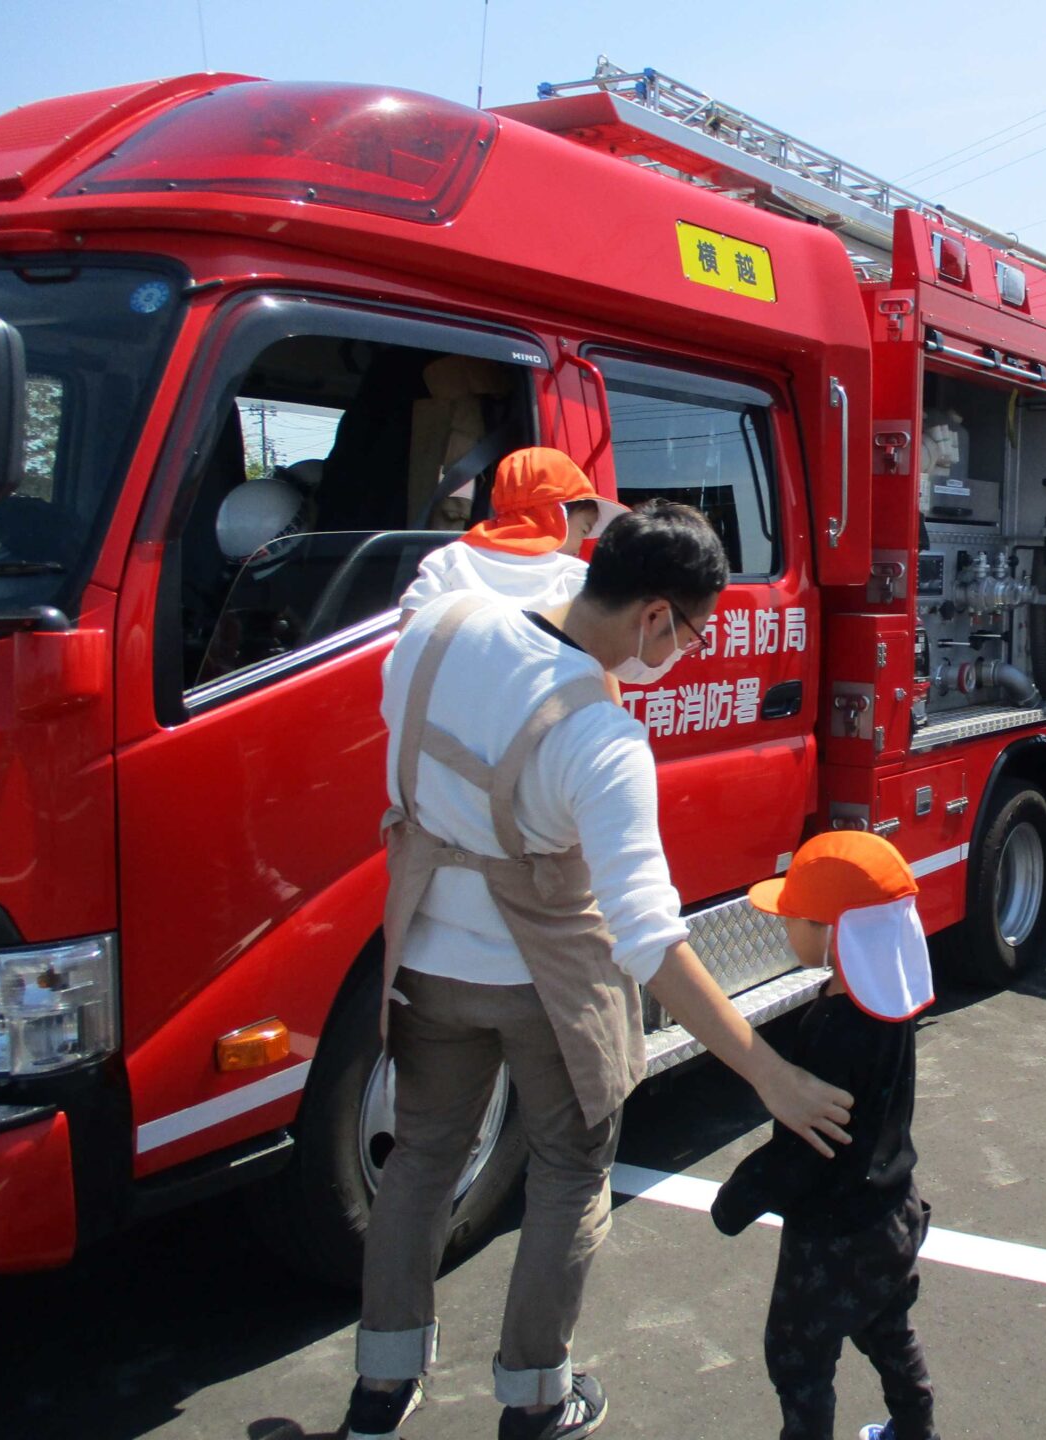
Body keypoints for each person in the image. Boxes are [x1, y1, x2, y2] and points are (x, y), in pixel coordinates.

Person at [344, 501, 853, 1440]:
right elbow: (650, 940)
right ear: (655, 614)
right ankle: (536, 1396)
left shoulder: (435, 629)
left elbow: (468, 567)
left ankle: (381, 1387)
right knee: (570, 1172)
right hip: (547, 986)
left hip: (423, 961)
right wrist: (768, 1073)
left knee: (420, 1161)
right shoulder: (600, 738)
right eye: (692, 633)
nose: (687, 653)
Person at [712, 831, 939, 1440]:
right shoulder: (890, 1004)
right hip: (893, 1213)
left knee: (798, 1361)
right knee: (890, 1333)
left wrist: (736, 1199)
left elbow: (807, 1145)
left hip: (832, 1240)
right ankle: (917, 1432)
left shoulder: (831, 1029)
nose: (785, 926)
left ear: (834, 933)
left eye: (794, 917)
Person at [399, 445, 630, 618]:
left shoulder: (452, 557)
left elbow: (410, 624)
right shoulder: (572, 575)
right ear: (557, 516)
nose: (580, 548)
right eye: (583, 530)